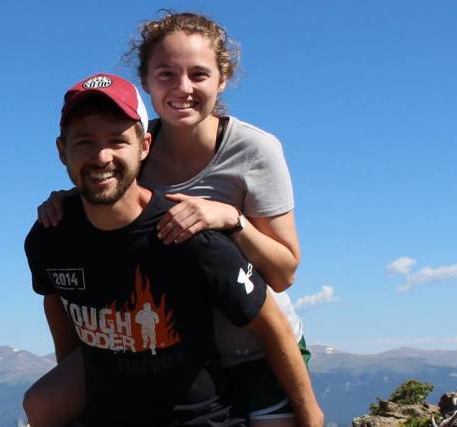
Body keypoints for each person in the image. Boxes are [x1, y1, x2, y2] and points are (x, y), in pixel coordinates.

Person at [31, 11, 309, 425]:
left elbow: (285, 273)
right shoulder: (131, 146)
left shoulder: (254, 151)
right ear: (146, 82)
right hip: (168, 349)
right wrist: (65, 200)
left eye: (198, 74)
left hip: (250, 346)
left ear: (222, 80)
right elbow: (106, 183)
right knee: (43, 404)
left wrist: (232, 220)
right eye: (166, 74)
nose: (182, 88)